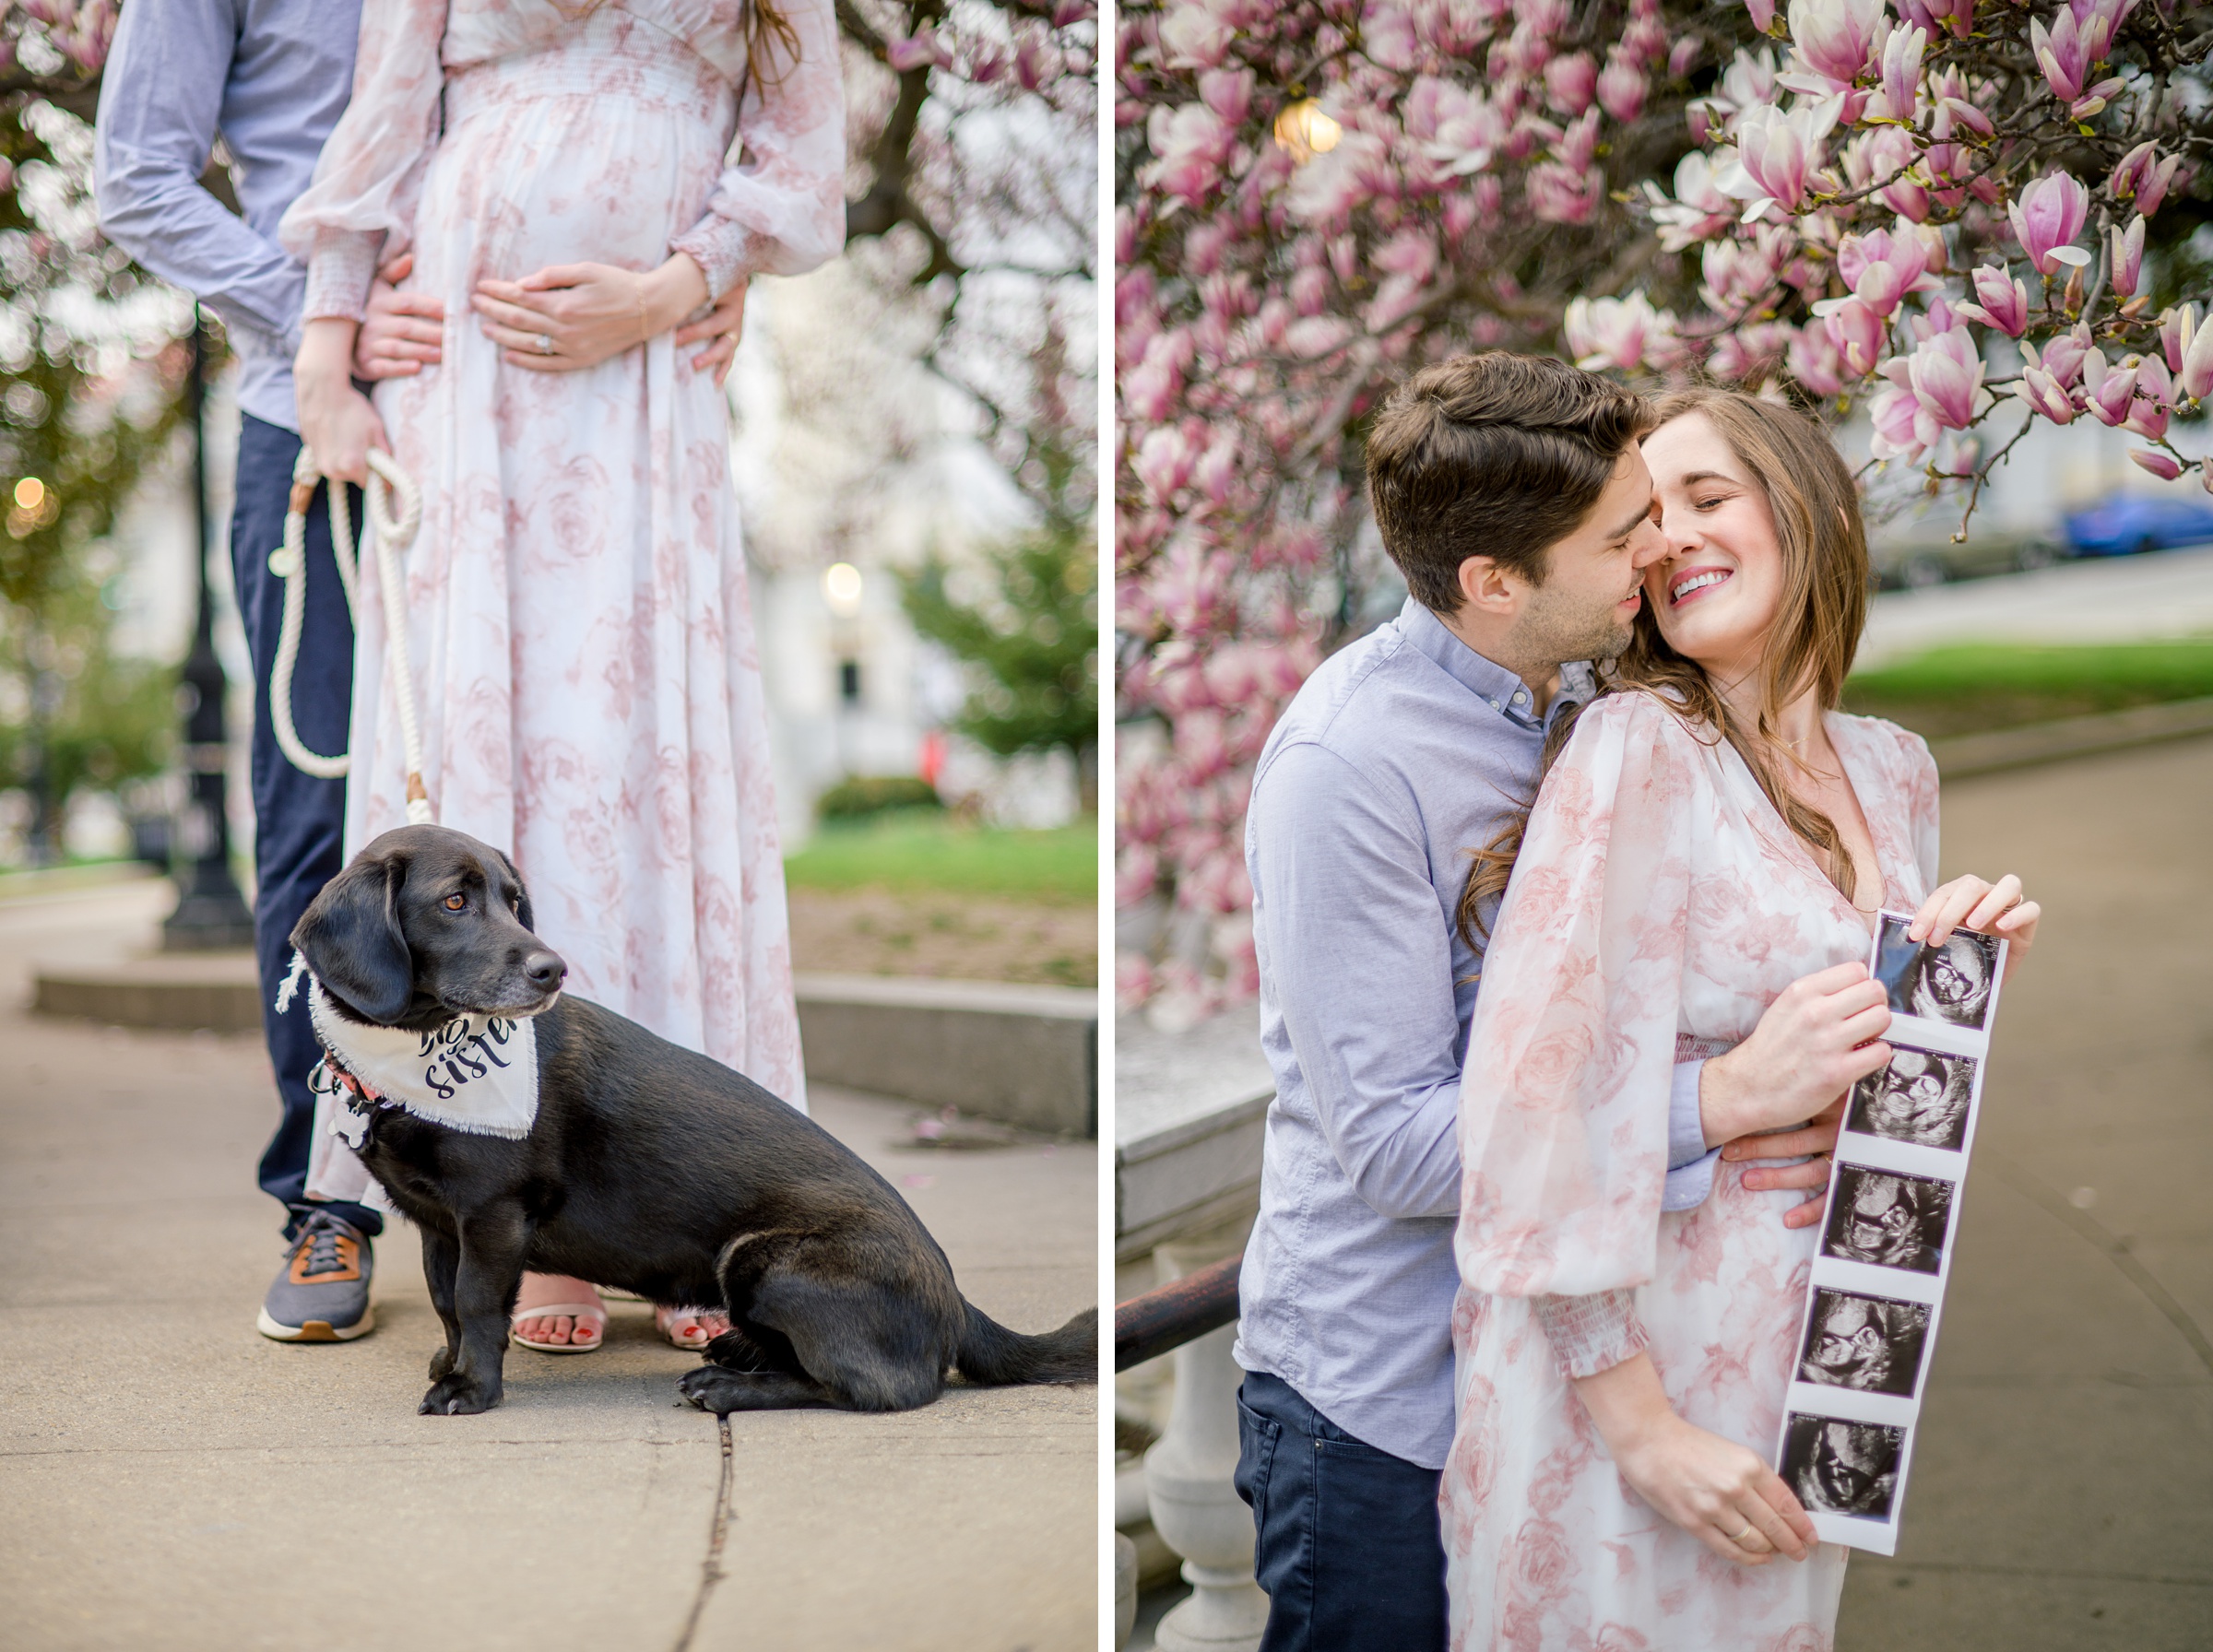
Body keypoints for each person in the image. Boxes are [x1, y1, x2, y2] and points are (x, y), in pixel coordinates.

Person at [90, 0, 755, 1348]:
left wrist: (701, 271)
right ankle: (328, 1200)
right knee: (323, 814)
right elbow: (136, 178)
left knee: (527, 796)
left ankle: (543, 1193)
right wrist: (314, 328)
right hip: (321, 415)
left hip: (521, 417)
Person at [1236, 355, 1877, 1650]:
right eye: (1622, 532)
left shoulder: (1602, 697)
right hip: (1381, 1400)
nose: (1656, 549)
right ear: (1493, 583)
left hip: (1553, 1372)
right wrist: (1723, 1099)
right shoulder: (1347, 769)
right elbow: (1398, 1150)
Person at [279, 0, 843, 1352]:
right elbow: (383, 124)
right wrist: (324, 356)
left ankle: (696, 1218)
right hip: (465, 384)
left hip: (646, 382)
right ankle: (519, 1215)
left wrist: (681, 285)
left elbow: (798, 153)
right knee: (486, 761)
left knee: (637, 753)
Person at [1442, 387, 2041, 1646]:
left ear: (1811, 506)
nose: (1671, 543)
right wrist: (1642, 1429)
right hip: (1637, 1366)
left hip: (1817, 1362)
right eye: (1650, 524)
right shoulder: (1640, 746)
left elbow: (1872, 1085)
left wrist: (1958, 981)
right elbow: (1532, 1105)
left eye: (1708, 500)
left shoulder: (1895, 770)